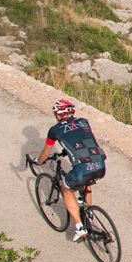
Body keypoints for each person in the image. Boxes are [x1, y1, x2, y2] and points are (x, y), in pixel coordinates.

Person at [37, 98, 106, 242]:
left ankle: (80, 227)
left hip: (82, 168)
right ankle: (89, 213)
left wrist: (39, 161)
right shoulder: (84, 121)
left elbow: (46, 151)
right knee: (87, 182)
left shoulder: (54, 130)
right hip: (100, 164)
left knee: (66, 189)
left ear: (57, 115)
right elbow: (79, 139)